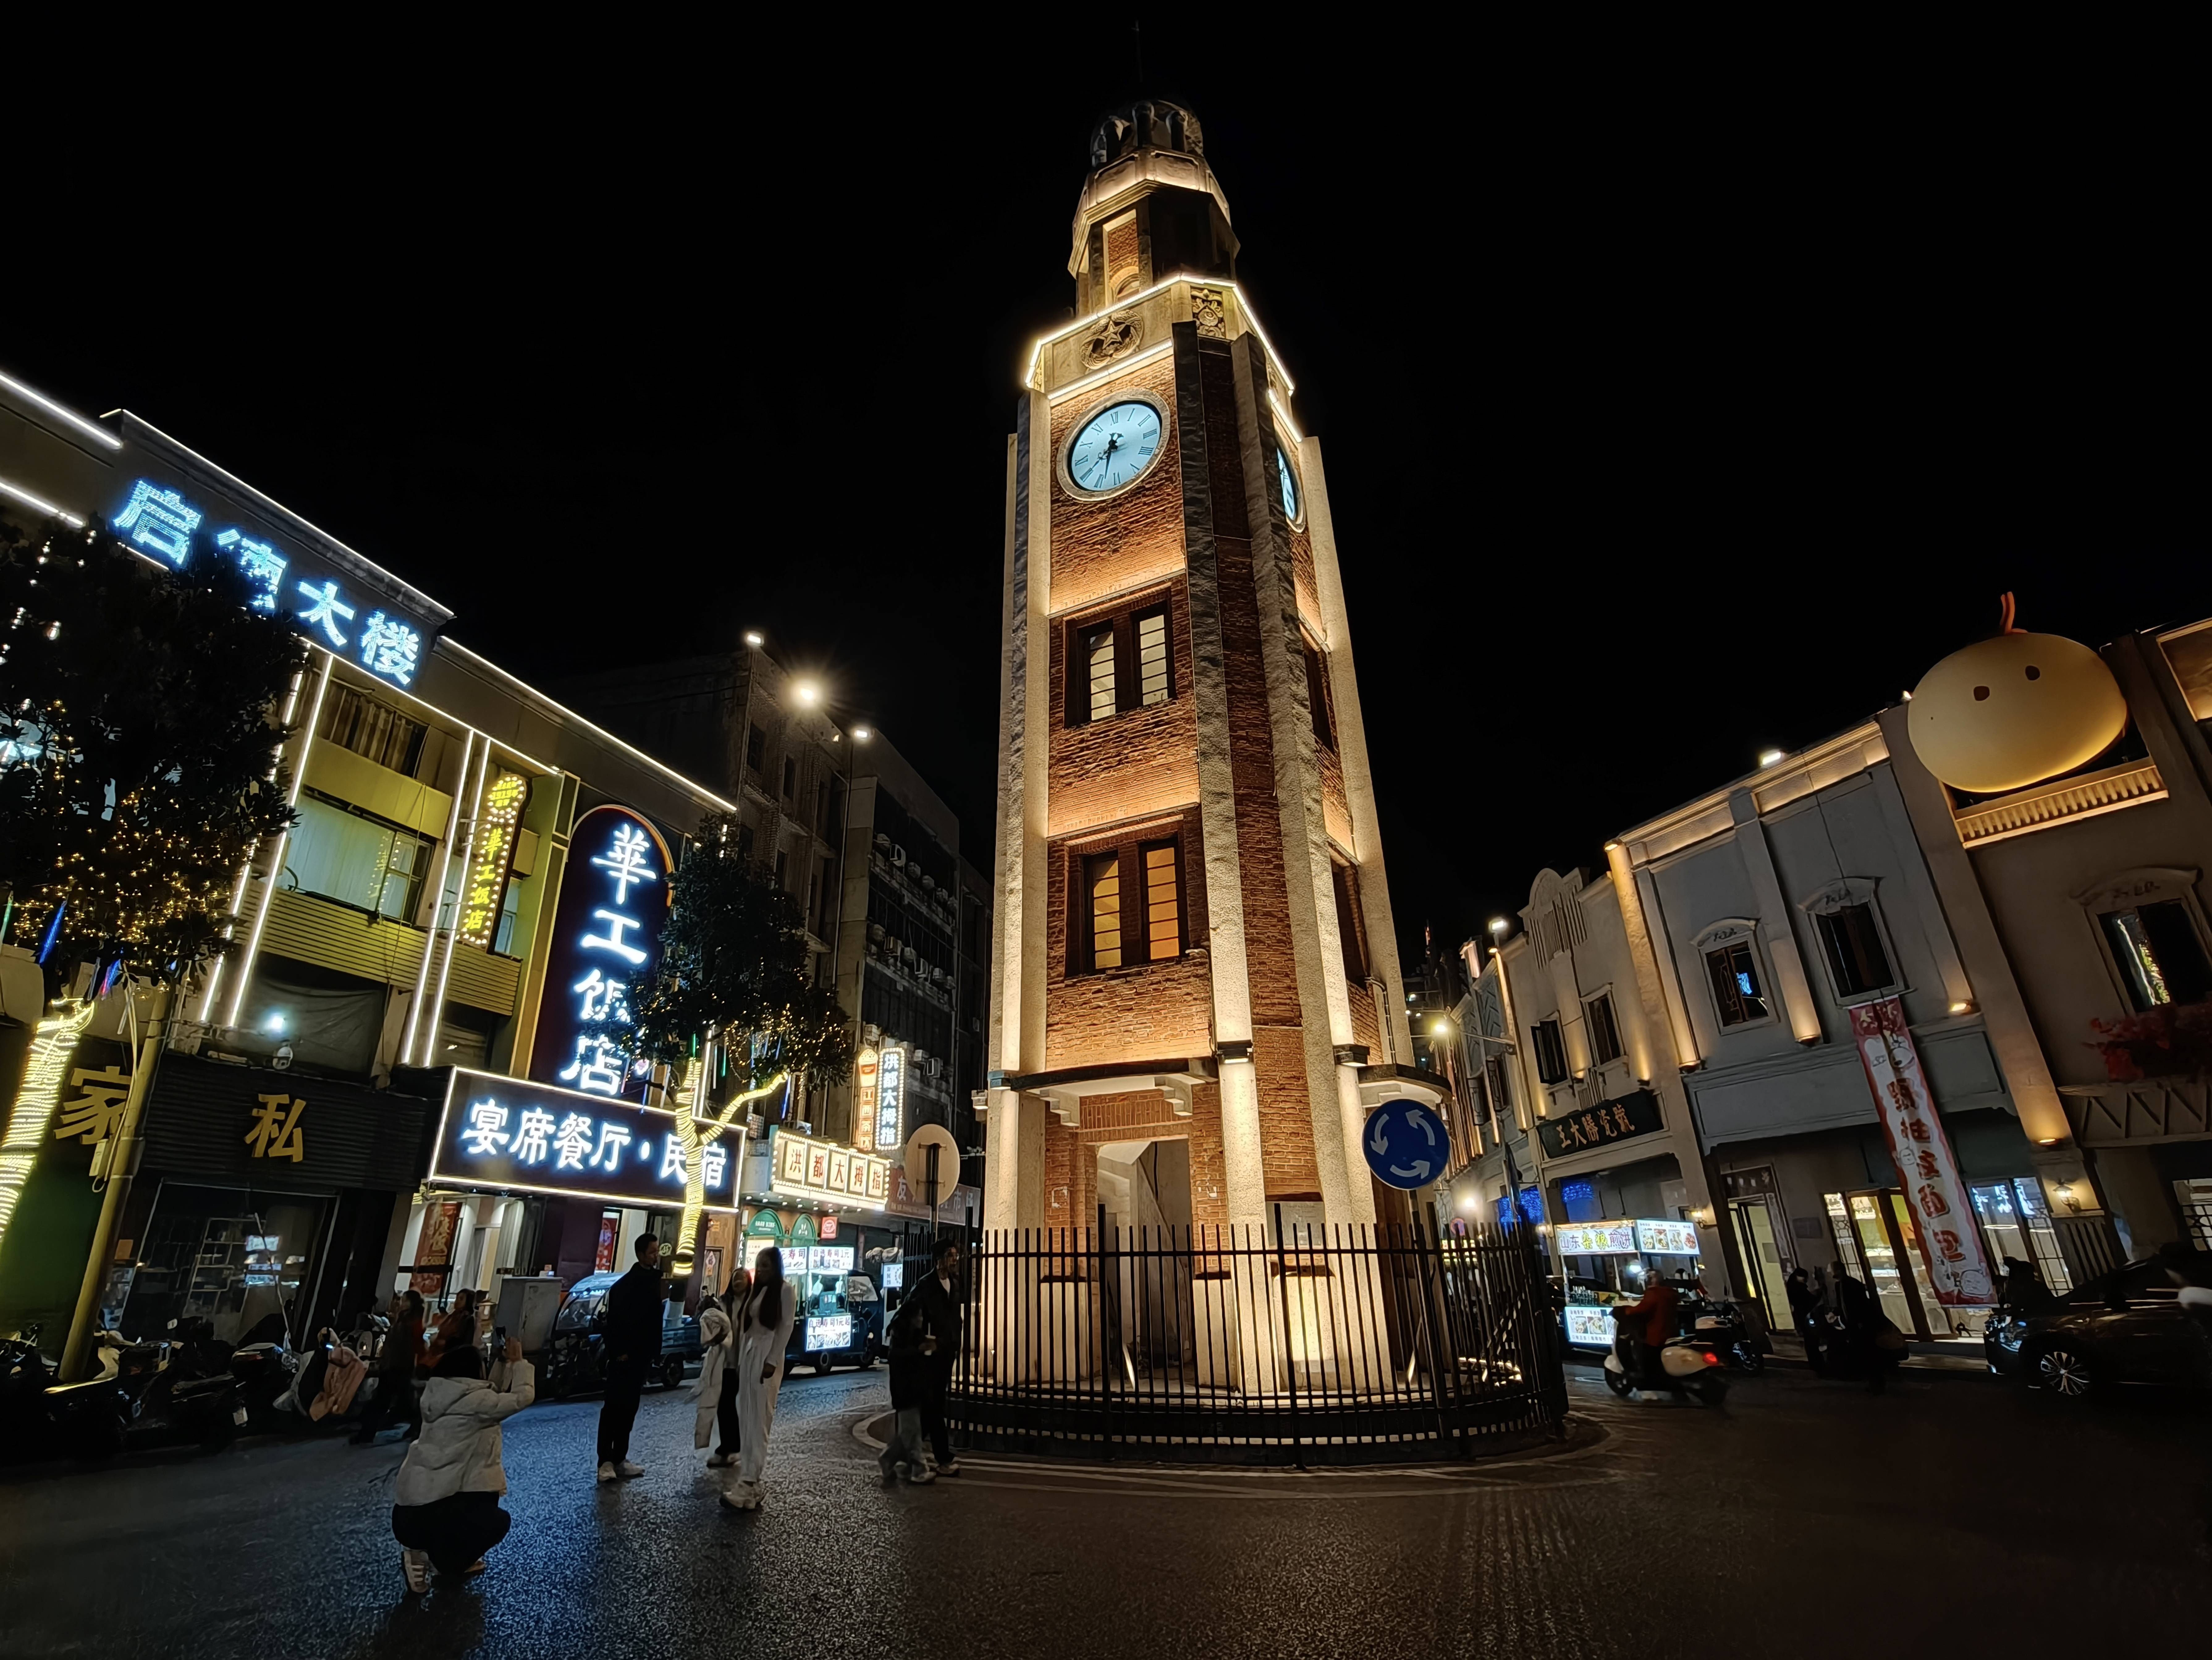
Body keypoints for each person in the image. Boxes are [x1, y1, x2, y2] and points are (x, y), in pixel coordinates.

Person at [392, 1336, 534, 1592]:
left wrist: (503, 1364)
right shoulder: (476, 1403)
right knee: (496, 1520)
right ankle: (445, 1562)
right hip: (440, 1509)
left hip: (408, 1511)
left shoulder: (438, 1395)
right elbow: (521, 1397)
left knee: (474, 1499)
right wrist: (518, 1363)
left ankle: (419, 1554)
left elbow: (492, 1394)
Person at [721, 1244, 795, 1512]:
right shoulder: (758, 1291)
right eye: (759, 1265)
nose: (761, 1270)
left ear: (776, 1268)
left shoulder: (785, 1291)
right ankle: (749, 1482)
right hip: (750, 1355)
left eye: (766, 1266)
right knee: (746, 1415)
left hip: (766, 1357)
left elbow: (786, 1327)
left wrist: (772, 1361)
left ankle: (750, 1481)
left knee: (759, 1420)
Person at [597, 1234, 665, 1483]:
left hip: (641, 1356)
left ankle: (619, 1458)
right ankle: (605, 1461)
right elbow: (615, 1323)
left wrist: (654, 1352)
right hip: (624, 1358)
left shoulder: (653, 1282)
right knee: (614, 1408)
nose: (656, 1256)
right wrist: (620, 1352)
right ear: (641, 1254)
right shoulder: (625, 1287)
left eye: (657, 1251)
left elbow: (654, 1322)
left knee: (629, 1409)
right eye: (652, 1252)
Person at [905, 1237, 965, 1475]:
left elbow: (955, 1318)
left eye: (956, 1256)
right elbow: (909, 1314)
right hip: (929, 1356)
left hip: (947, 1354)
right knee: (934, 1406)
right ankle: (943, 1459)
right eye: (951, 1256)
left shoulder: (955, 1285)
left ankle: (908, 1453)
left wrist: (956, 1341)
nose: (955, 1260)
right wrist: (921, 1340)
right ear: (939, 1260)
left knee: (931, 1408)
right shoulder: (925, 1286)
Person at [352, 1291, 424, 1445]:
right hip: (396, 1366)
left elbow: (409, 1347)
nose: (400, 1303)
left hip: (398, 1367)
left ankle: (366, 1434)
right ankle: (415, 1428)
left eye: (404, 1300)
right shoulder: (405, 1319)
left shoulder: (410, 1322)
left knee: (382, 1401)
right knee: (396, 1401)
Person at [877, 1294, 933, 1485]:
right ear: (910, 1318)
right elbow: (899, 1359)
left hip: (914, 1390)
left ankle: (889, 1460)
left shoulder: (913, 1335)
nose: (921, 1320)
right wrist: (919, 1351)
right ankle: (919, 1469)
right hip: (906, 1391)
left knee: (909, 1433)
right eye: (919, 1316)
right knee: (912, 1432)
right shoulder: (901, 1337)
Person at [1610, 1268, 1680, 1398]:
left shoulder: (1654, 1294)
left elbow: (1641, 1309)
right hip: (1671, 1332)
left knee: (1645, 1354)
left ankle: (1648, 1381)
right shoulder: (1670, 1294)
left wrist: (1624, 1310)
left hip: (1655, 1335)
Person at [691, 1289, 740, 1469]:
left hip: (739, 1362)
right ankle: (728, 1447)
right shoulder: (725, 1305)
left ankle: (733, 1447)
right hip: (726, 1363)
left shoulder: (748, 1305)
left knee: (731, 1407)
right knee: (724, 1407)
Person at [1784, 1267, 1825, 1375]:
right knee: (1812, 1341)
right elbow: (1809, 1301)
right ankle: (1818, 1365)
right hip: (1806, 1317)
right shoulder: (1799, 1288)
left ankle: (1815, 1364)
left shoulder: (1793, 1286)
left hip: (1801, 1317)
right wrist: (1819, 1293)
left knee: (1810, 1341)